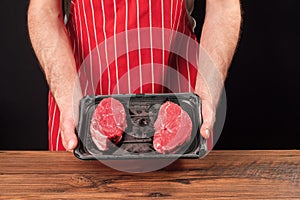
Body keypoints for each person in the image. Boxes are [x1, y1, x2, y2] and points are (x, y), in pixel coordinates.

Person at [28, 0, 241, 151]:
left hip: (177, 99)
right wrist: (69, 100)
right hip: (82, 102)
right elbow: (44, 11)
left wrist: (206, 93)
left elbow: (223, 8)